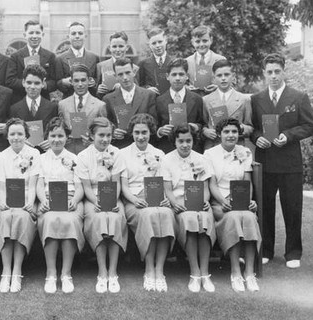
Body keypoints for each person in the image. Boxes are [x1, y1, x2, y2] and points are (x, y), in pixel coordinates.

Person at [250, 53, 313, 268]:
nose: (274, 76)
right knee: (264, 207)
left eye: (277, 71)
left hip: (289, 162)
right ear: (264, 73)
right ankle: (266, 249)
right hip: (266, 161)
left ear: (284, 71)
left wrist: (289, 135)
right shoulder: (256, 99)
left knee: (292, 207)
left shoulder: (298, 97)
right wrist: (257, 138)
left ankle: (293, 252)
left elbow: (309, 125)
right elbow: (253, 128)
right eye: (270, 72)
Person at [120, 114, 175, 292]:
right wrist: (135, 199)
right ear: (132, 133)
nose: (141, 136)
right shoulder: (122, 154)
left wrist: (165, 198)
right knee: (150, 215)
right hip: (134, 201)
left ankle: (160, 269)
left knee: (165, 214)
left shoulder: (159, 154)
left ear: (151, 132)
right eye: (137, 132)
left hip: (157, 198)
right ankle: (149, 268)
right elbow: (124, 186)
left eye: (144, 132)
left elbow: (165, 181)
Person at [205, 118, 261, 292]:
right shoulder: (209, 154)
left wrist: (248, 201)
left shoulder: (245, 152)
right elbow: (212, 184)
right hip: (219, 202)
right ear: (219, 134)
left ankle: (250, 272)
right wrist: (223, 201)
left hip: (241, 200)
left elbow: (247, 182)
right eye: (226, 132)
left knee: (250, 217)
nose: (231, 135)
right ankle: (235, 271)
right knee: (235, 218)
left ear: (239, 134)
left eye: (234, 132)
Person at [159, 124, 216, 293]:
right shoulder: (167, 160)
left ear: (193, 140)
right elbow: (167, 189)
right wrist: (175, 204)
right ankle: (195, 272)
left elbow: (205, 187)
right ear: (174, 142)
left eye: (188, 140)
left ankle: (205, 273)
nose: (185, 145)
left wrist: (204, 201)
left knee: (204, 218)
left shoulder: (202, 159)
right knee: (190, 219)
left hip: (198, 202)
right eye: (181, 141)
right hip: (179, 204)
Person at [75, 117, 127, 293]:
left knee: (114, 217)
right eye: (101, 135)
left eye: (109, 135)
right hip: (92, 197)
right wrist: (96, 202)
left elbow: (117, 181)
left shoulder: (116, 153)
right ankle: (102, 271)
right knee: (98, 218)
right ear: (91, 135)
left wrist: (112, 200)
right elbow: (86, 186)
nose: (105, 139)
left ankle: (113, 271)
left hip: (112, 195)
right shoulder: (83, 156)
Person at [36, 117, 85, 294]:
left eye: (60, 136)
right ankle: (51, 273)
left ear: (67, 138)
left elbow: (80, 186)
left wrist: (75, 200)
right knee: (50, 219)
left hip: (71, 199)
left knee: (69, 221)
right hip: (48, 200)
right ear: (47, 138)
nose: (56, 140)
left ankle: (66, 273)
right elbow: (39, 184)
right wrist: (43, 201)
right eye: (52, 136)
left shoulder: (75, 158)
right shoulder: (40, 158)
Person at [0, 118, 41, 293]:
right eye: (12, 134)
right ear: (7, 136)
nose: (16, 137)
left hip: (28, 200)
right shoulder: (2, 156)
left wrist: (29, 202)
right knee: (6, 217)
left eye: (20, 134)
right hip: (7, 200)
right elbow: (1, 186)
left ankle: (17, 270)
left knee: (21, 217)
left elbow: (34, 184)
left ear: (26, 135)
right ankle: (6, 271)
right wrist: (3, 202)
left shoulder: (34, 154)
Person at [103, 57, 157, 149]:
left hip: (143, 146)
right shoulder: (108, 99)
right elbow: (107, 124)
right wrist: (113, 132)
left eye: (128, 73)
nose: (125, 78)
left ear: (134, 72)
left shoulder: (149, 95)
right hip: (120, 147)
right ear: (115, 76)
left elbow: (154, 123)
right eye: (120, 74)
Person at [155, 58, 204, 153]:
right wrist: (160, 131)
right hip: (167, 149)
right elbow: (154, 125)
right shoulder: (159, 100)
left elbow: (203, 123)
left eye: (181, 74)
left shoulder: (197, 99)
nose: (177, 78)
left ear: (187, 76)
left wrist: (197, 127)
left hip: (191, 149)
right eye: (174, 74)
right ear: (167, 76)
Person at [202, 59, 253, 150]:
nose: (223, 78)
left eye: (226, 74)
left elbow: (250, 127)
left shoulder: (244, 99)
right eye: (219, 75)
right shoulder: (206, 100)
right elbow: (202, 124)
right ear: (214, 78)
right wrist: (206, 131)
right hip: (214, 147)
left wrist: (240, 128)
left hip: (237, 147)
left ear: (233, 76)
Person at [58, 63, 107, 154]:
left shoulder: (100, 105)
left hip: (90, 153)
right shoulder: (62, 104)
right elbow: (60, 128)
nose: (80, 84)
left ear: (89, 80)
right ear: (71, 82)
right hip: (68, 152)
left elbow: (104, 133)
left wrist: (93, 143)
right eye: (76, 81)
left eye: (83, 80)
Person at [9, 64, 58, 152]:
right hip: (22, 153)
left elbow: (55, 130)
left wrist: (51, 140)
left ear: (43, 83)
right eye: (29, 82)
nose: (32, 87)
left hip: (45, 153)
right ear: (23, 82)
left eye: (37, 83)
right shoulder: (14, 108)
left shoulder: (52, 107)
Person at [6, 20, 57, 103]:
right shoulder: (15, 56)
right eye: (31, 33)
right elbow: (10, 80)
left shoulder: (50, 56)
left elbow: (54, 81)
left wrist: (42, 85)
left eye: (37, 33)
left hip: (43, 101)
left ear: (42, 34)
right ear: (25, 35)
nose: (34, 36)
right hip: (20, 100)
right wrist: (28, 84)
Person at [55, 22, 99, 98]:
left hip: (91, 100)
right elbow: (56, 82)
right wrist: (63, 82)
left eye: (80, 33)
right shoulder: (60, 59)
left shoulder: (94, 57)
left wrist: (94, 83)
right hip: (69, 100)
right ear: (68, 36)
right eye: (73, 33)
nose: (77, 36)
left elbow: (98, 79)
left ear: (85, 36)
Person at [97, 31, 139, 99]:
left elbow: (140, 91)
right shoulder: (100, 66)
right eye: (114, 46)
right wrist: (98, 89)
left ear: (127, 47)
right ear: (109, 48)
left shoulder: (135, 68)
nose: (117, 50)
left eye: (121, 46)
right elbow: (93, 89)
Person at [185, 25, 225, 95]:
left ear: (211, 40)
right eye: (197, 41)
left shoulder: (221, 60)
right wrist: (186, 88)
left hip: (216, 102)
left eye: (205, 41)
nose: (201, 44)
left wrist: (218, 87)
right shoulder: (187, 62)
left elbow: (231, 83)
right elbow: (183, 83)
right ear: (192, 42)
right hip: (195, 102)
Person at [137, 28, 173, 95]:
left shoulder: (174, 62)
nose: (158, 46)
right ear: (149, 45)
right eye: (154, 43)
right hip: (152, 102)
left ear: (166, 41)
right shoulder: (143, 64)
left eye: (160, 42)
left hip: (170, 102)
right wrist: (146, 89)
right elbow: (137, 86)